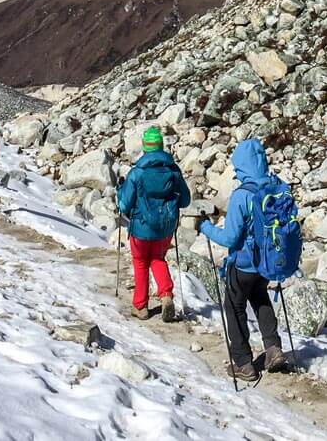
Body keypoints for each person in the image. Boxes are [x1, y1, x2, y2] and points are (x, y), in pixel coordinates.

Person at [199, 138, 288, 381]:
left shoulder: (242, 195)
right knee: (260, 299)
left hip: (244, 263)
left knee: (234, 306)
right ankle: (273, 348)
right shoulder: (276, 187)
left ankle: (243, 363)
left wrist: (205, 227)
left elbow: (229, 238)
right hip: (268, 262)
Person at [117, 126, 191, 322]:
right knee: (158, 258)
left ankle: (140, 306)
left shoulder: (137, 173)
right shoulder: (173, 171)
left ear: (145, 148)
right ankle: (166, 294)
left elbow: (124, 204)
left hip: (141, 227)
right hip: (165, 226)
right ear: (161, 146)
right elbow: (185, 201)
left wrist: (119, 191)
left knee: (140, 263)